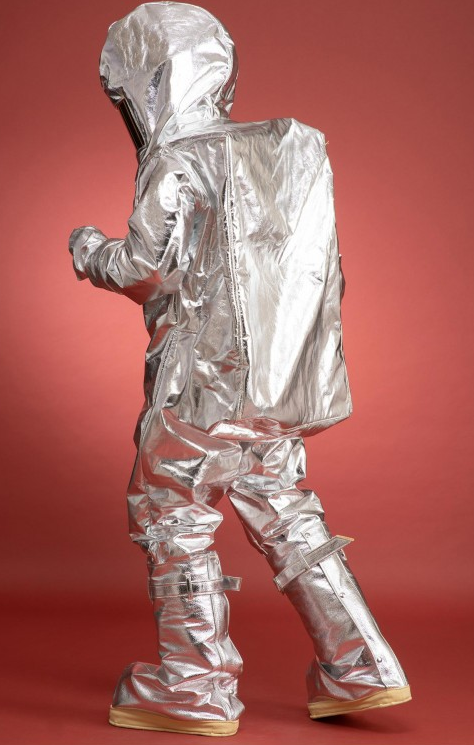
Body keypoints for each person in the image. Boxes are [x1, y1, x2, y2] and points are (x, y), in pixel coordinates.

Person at [69, 1, 412, 737]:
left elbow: (146, 268)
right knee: (288, 513)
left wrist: (89, 249)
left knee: (170, 513)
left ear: (147, 82)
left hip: (199, 387)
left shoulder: (178, 157)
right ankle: (362, 666)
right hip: (279, 386)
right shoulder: (289, 148)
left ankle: (193, 685)